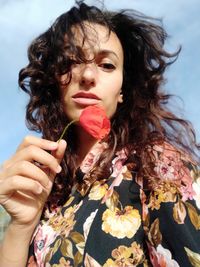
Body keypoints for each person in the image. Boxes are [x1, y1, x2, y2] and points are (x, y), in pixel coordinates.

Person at [0, 1, 200, 266]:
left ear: (122, 92)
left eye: (106, 65)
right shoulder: (48, 192)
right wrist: (21, 225)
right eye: (71, 61)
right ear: (55, 82)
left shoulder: (156, 166)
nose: (88, 75)